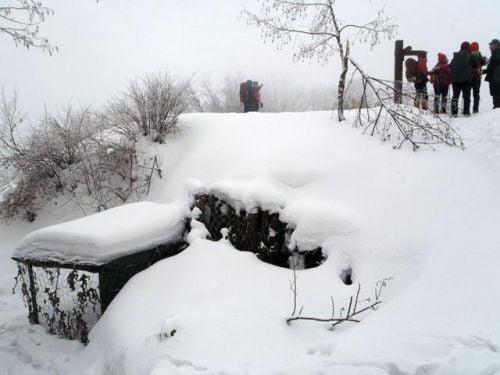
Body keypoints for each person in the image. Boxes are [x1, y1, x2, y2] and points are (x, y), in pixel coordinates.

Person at [450, 41, 478, 117]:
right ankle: (466, 112)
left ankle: (454, 112)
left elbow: (450, 65)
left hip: (455, 80)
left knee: (455, 96)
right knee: (466, 96)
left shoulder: (456, 56)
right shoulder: (470, 55)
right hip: (466, 79)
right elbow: (476, 65)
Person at [470, 42, 487, 113]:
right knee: (476, 93)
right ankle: (475, 109)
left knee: (467, 93)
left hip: (469, 77)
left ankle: (466, 108)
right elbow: (484, 63)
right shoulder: (479, 55)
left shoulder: (468, 55)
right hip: (477, 76)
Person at [485, 39, 500, 109]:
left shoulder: (496, 54)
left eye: (491, 45)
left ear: (496, 45)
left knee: (496, 94)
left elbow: (492, 66)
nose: (490, 46)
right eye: (490, 45)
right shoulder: (494, 54)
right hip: (495, 77)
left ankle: (497, 108)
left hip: (496, 78)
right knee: (495, 95)